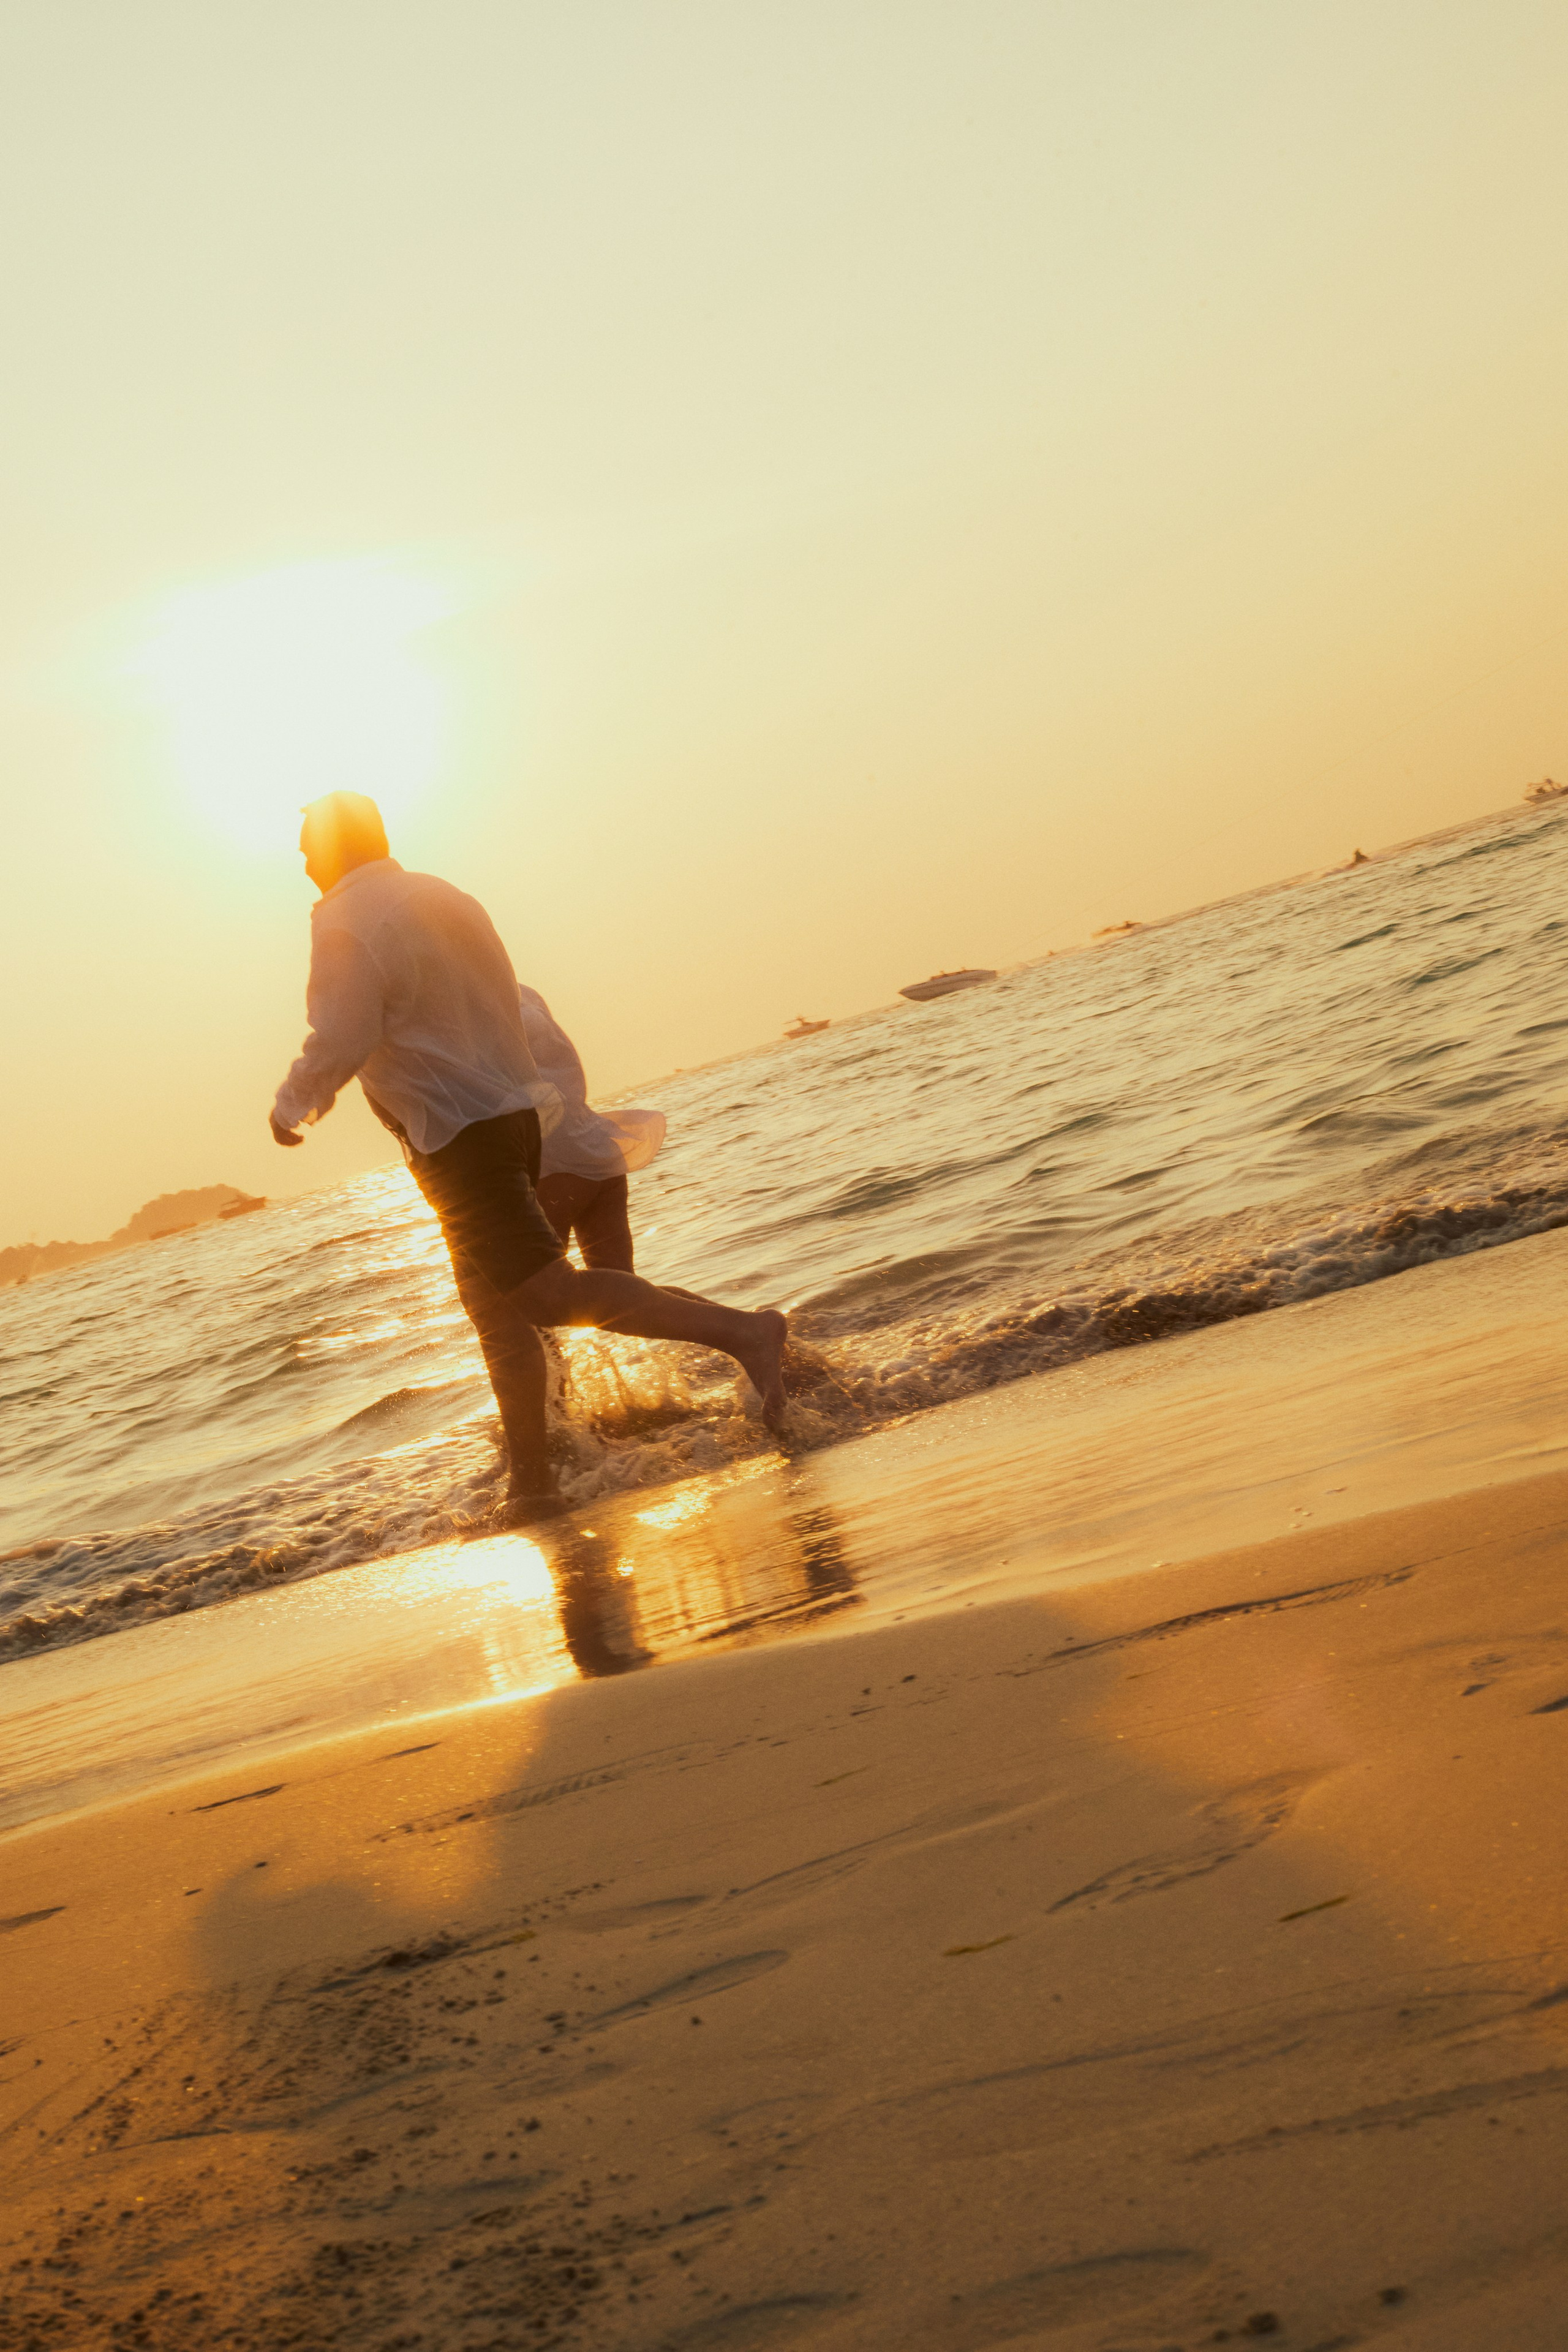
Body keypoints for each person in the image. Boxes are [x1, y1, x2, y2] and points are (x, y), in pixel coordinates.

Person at [269, 791, 788, 1515]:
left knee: (545, 1298)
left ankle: (746, 1333)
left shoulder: (348, 921)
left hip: (459, 1139)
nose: (298, 859)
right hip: (508, 1122)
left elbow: (344, 1032)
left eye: (306, 844)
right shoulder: (447, 897)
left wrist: (295, 1102)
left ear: (336, 848)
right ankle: (535, 1483)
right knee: (497, 1312)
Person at [516, 984, 663, 1273]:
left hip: (549, 1163)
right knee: (621, 1295)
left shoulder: (461, 1007)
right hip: (594, 1146)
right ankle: (755, 1322)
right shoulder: (524, 993)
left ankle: (755, 1323)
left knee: (535, 1298)